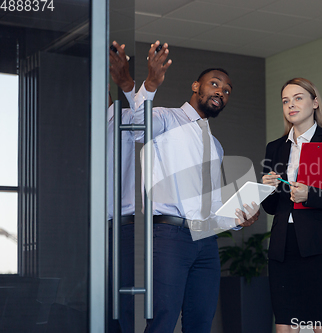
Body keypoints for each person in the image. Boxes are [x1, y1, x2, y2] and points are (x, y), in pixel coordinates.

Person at [113, 40, 260, 333]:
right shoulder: (166, 117)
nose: (221, 91)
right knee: (163, 321)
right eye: (215, 84)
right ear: (196, 86)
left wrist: (238, 220)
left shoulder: (215, 144)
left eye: (227, 90)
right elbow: (139, 122)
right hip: (170, 236)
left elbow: (211, 200)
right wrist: (150, 84)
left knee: (201, 321)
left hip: (206, 241)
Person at [261, 78, 322, 333]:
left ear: (315, 102)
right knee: (284, 325)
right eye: (285, 101)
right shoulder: (275, 148)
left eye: (298, 98)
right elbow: (272, 207)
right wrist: (267, 189)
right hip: (283, 246)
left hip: (320, 246)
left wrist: (310, 195)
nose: (290, 104)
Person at [107, 41, 136, 333]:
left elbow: (143, 115)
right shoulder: (74, 128)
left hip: (120, 225)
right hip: (85, 229)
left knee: (120, 304)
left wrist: (127, 83)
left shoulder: (124, 119)